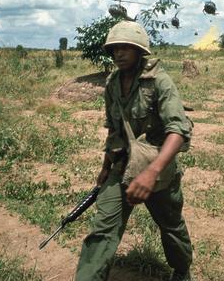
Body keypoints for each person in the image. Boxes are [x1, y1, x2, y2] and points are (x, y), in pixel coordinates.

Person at [75, 21, 194, 281]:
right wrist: (105, 168)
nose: (119, 53)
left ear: (140, 51)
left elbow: (178, 131)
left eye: (126, 48)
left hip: (158, 169)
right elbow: (114, 130)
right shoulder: (112, 83)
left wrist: (151, 173)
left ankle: (182, 271)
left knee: (171, 226)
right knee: (102, 231)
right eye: (115, 48)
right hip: (122, 167)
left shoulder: (160, 82)